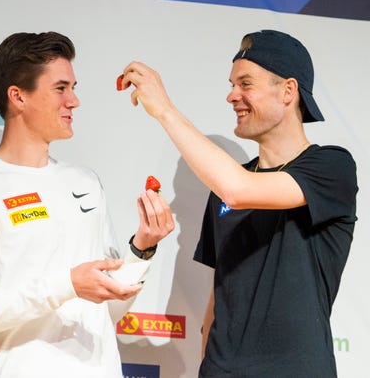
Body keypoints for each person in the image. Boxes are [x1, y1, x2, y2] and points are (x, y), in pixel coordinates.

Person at [118, 29, 357, 377]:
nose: (232, 96)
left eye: (246, 84)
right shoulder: (226, 187)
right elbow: (219, 296)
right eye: (232, 84)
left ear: (288, 90)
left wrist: (165, 110)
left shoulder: (332, 166)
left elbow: (238, 189)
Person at [0, 31, 174, 378]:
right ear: (18, 97)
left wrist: (141, 249)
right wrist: (67, 284)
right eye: (61, 88)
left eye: (74, 87)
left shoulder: (85, 182)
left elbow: (109, 309)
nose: (74, 100)